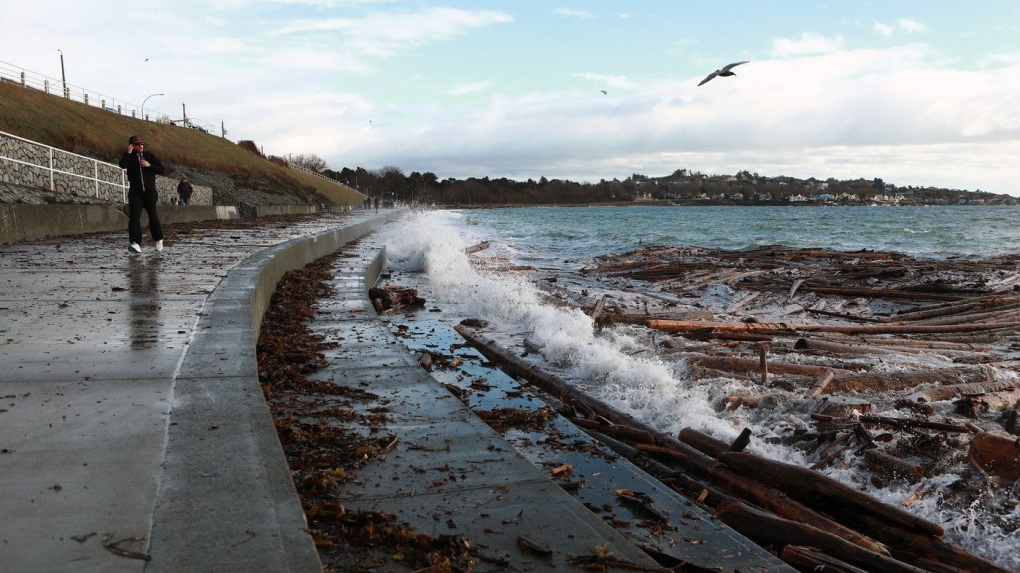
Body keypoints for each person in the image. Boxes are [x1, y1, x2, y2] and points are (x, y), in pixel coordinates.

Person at [119, 135, 165, 253]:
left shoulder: (150, 156)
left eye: (142, 144)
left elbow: (162, 169)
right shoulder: (129, 157)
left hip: (150, 193)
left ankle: (158, 239)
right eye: (138, 144)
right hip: (135, 193)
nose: (141, 146)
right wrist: (128, 153)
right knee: (134, 217)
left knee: (153, 216)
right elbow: (122, 165)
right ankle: (135, 243)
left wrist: (150, 165)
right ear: (132, 146)